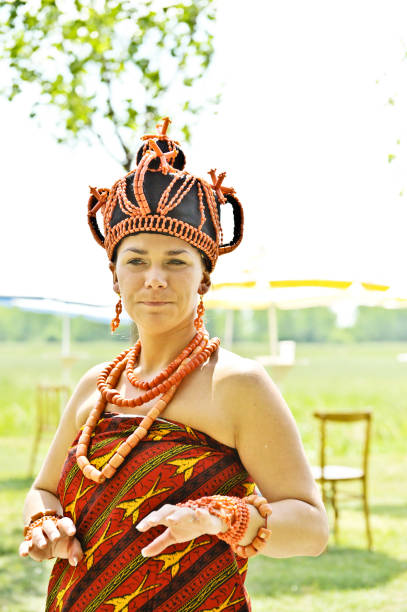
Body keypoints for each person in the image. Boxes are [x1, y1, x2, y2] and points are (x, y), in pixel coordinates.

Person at [19, 117, 329, 611]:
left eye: (177, 261)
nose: (155, 278)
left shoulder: (238, 384)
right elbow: (43, 491)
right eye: (137, 261)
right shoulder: (95, 388)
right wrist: (44, 526)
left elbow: (311, 528)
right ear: (116, 278)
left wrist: (219, 518)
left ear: (204, 276)